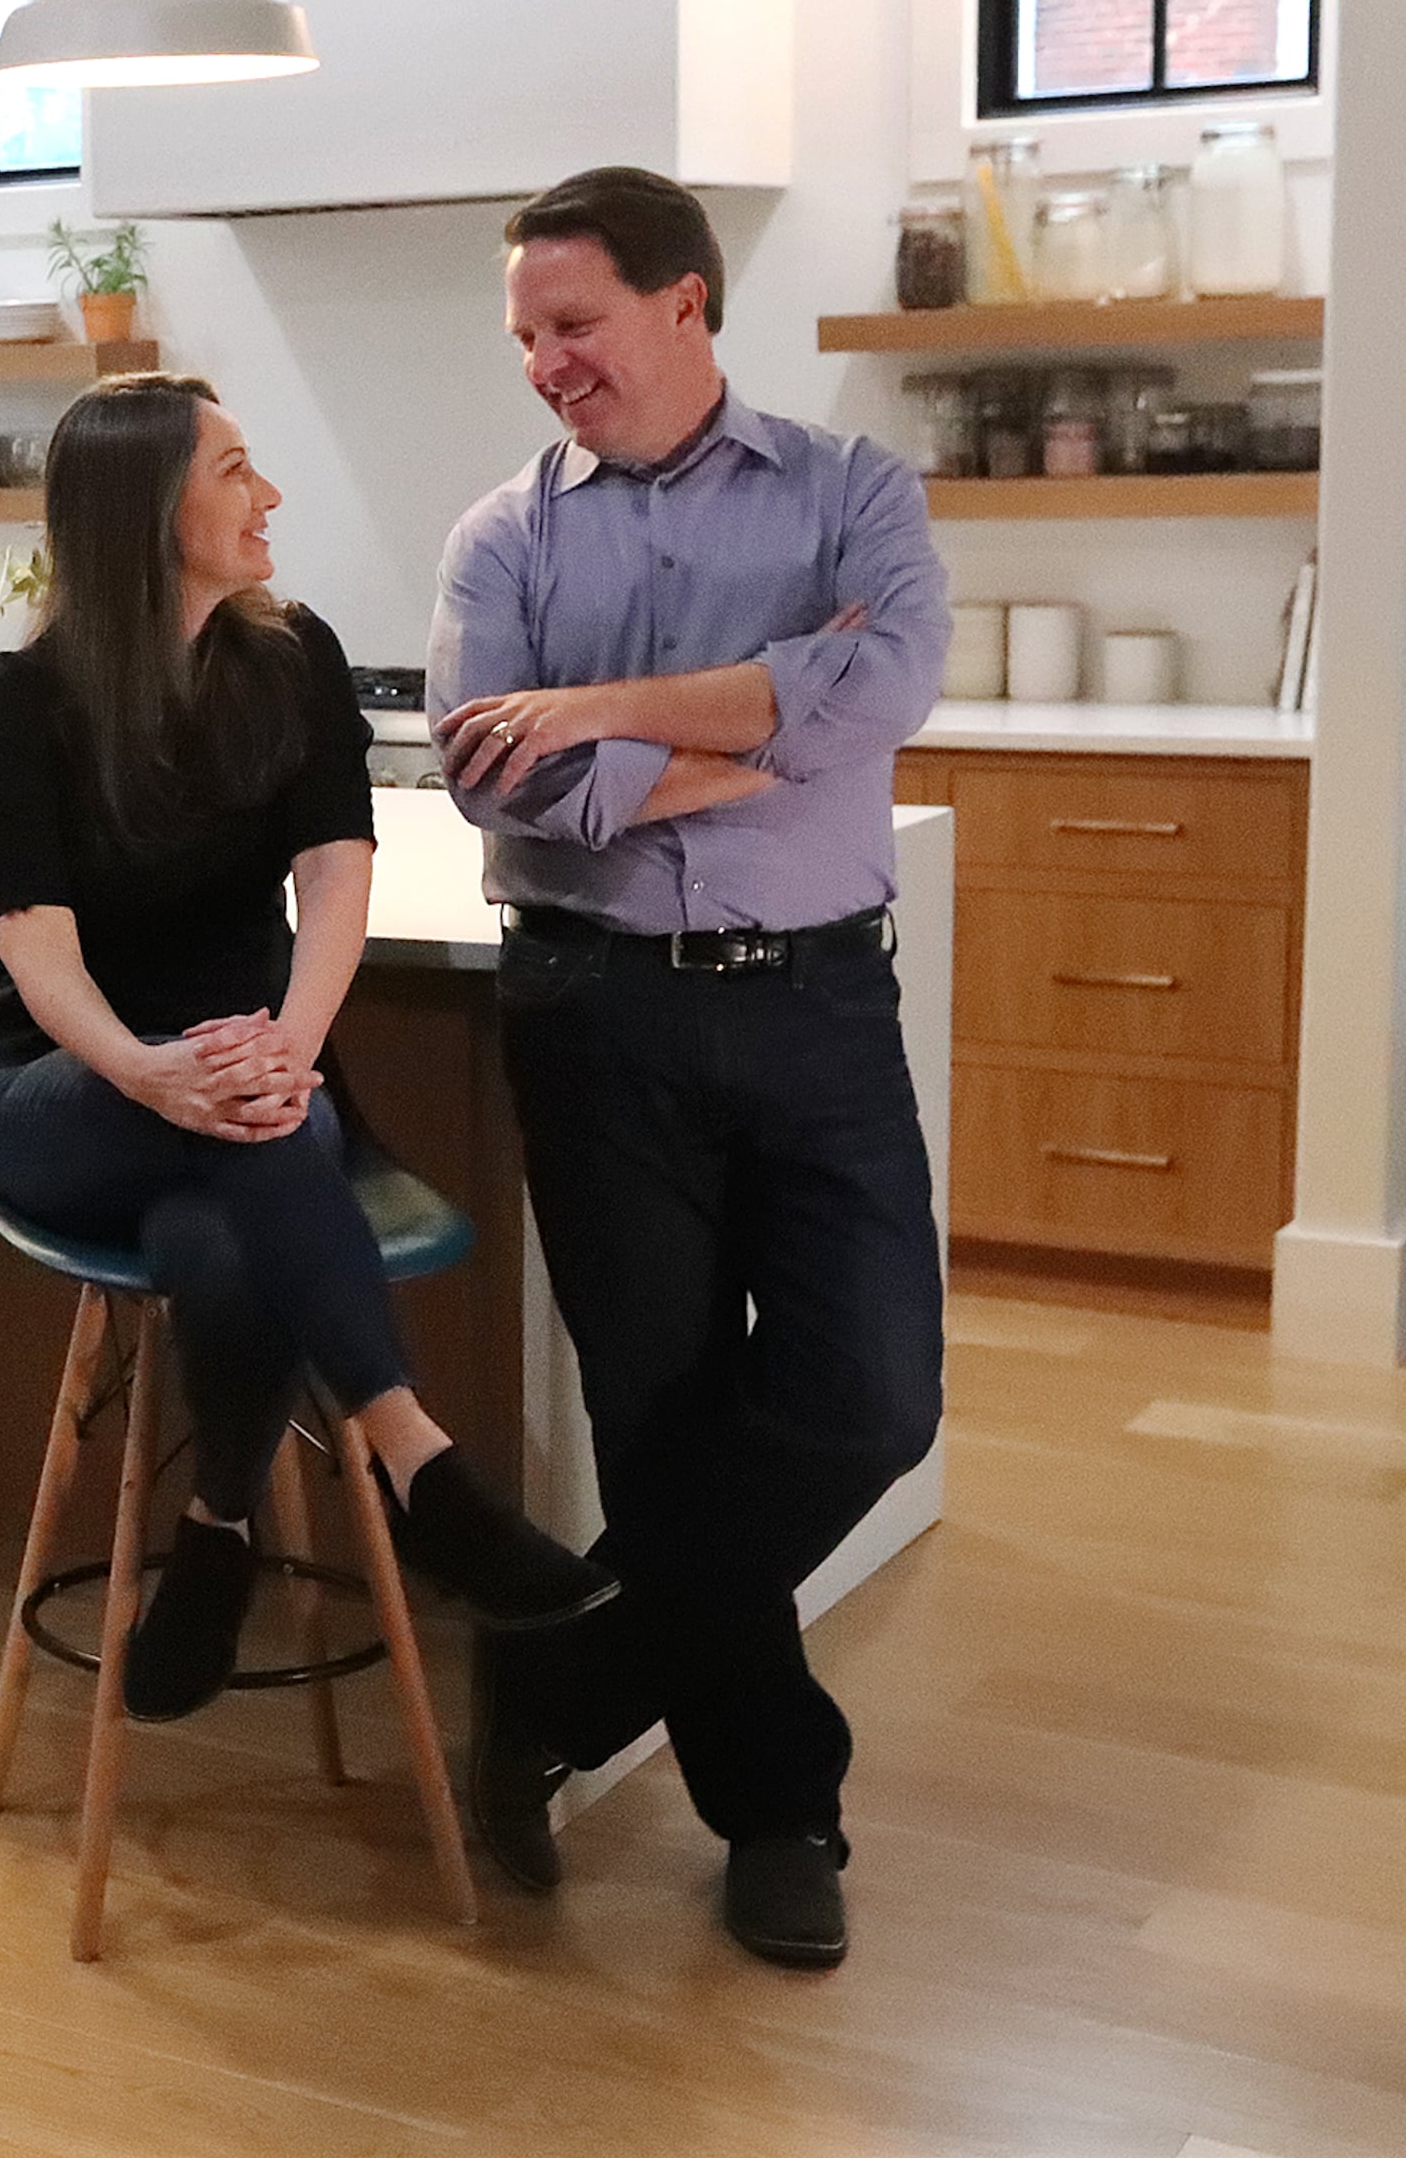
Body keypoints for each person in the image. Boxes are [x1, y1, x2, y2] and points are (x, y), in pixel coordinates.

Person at [426, 166, 949, 1971]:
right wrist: (764, 730)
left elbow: (888, 692)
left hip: (816, 1005)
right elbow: (506, 782)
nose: (546, 366)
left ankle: (563, 1673)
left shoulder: (851, 491)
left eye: (572, 326)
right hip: (597, 1014)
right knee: (658, 1426)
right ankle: (779, 1807)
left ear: (684, 306)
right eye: (525, 339)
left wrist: (611, 709)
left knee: (871, 1398)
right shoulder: (505, 541)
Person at [0, 373, 616, 1726]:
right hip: (62, 1089)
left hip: (260, 1067)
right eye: (237, 470)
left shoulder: (292, 660)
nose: (270, 497)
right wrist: (145, 1071)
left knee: (234, 1205)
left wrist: (294, 1045)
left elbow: (335, 872)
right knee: (270, 1137)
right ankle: (415, 1459)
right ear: (149, 511)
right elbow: (36, 943)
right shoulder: (25, 703)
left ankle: (215, 1533)